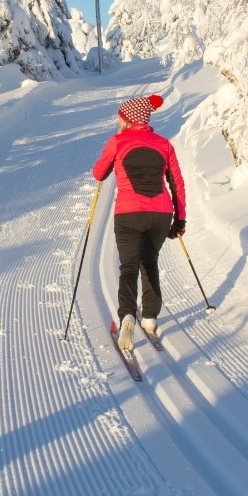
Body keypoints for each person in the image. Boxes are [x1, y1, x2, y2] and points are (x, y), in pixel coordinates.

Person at [92, 94, 186, 351]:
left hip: (129, 213)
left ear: (127, 119)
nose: (117, 120)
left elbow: (99, 173)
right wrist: (180, 219)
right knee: (150, 262)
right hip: (160, 214)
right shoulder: (164, 144)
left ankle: (127, 317)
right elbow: (176, 183)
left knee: (129, 267)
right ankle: (150, 318)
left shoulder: (118, 141)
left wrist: (115, 150)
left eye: (120, 116)